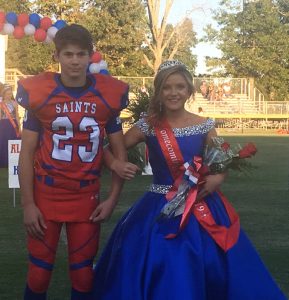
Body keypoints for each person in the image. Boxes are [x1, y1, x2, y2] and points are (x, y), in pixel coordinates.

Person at [92, 60, 286, 300]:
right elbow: (106, 146)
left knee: (215, 259)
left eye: (180, 87)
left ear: (189, 91)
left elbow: (221, 159)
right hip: (158, 203)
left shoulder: (204, 125)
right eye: (167, 87)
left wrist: (218, 179)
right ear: (158, 91)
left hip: (202, 200)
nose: (174, 93)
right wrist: (115, 164)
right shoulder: (147, 126)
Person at [16, 24, 128, 300]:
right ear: (57, 56)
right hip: (46, 193)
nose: (75, 60)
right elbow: (27, 152)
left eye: (81, 54)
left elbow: (119, 151)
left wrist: (113, 198)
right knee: (39, 274)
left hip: (86, 196)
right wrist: (28, 204)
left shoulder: (108, 94)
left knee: (83, 275)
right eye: (68, 54)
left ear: (91, 56)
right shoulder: (40, 92)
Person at [0, 84, 21, 168]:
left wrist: (19, 127)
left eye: (10, 93)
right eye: (7, 94)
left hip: (13, 125)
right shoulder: (1, 104)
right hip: (3, 125)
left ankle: (14, 161)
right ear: (4, 94)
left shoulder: (15, 103)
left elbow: (17, 115)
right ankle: (4, 161)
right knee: (3, 141)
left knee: (13, 141)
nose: (9, 95)